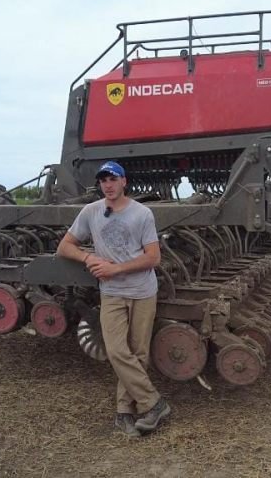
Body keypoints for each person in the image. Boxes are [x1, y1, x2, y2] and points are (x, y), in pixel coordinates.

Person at [56, 160, 169, 437]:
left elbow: (153, 257)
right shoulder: (91, 211)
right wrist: (88, 258)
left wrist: (115, 269)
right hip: (112, 293)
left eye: (113, 179)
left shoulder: (142, 214)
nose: (108, 185)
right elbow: (64, 247)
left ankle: (124, 412)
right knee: (117, 351)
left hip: (142, 291)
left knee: (138, 353)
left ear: (124, 181)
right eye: (103, 180)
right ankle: (154, 403)